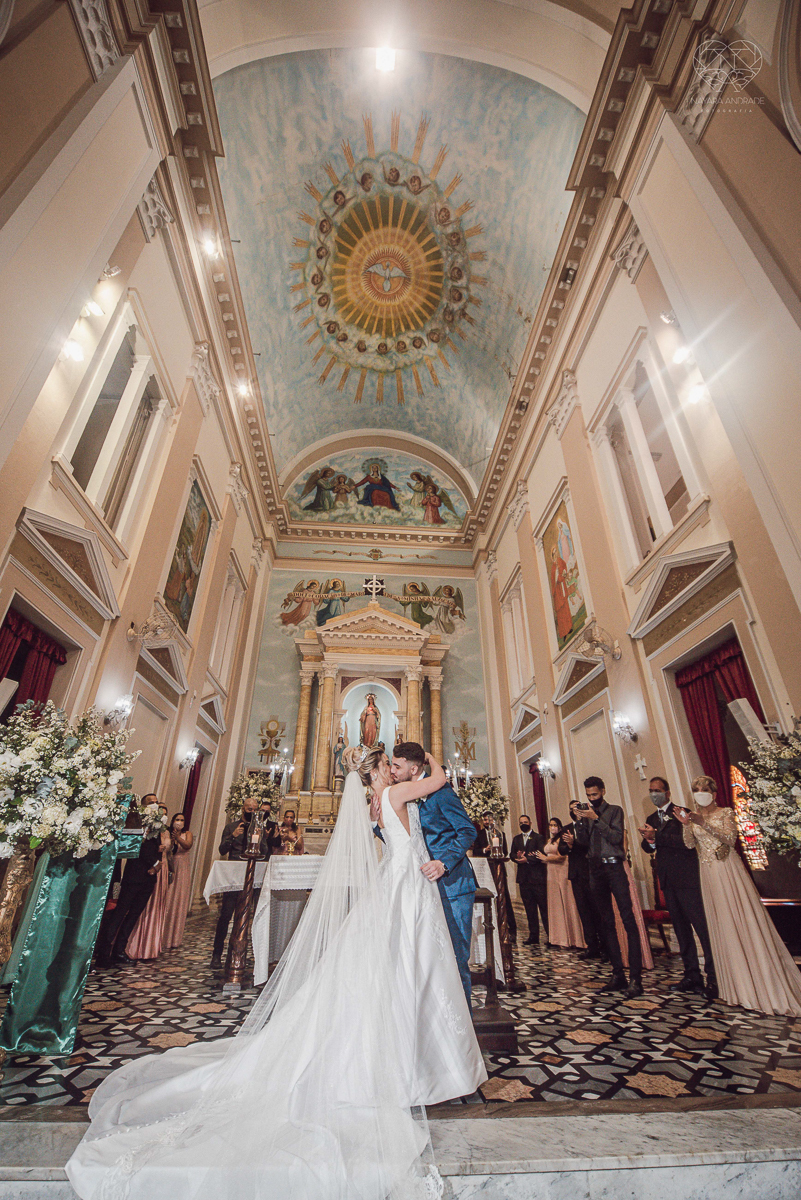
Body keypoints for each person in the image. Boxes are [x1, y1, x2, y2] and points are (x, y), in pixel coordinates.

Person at [66, 748, 486, 1200]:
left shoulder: (375, 800)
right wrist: (431, 759)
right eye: (392, 765)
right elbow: (437, 777)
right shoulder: (402, 790)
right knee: (409, 966)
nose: (396, 770)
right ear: (387, 769)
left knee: (396, 969)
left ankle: (407, 1053)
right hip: (408, 888)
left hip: (399, 885)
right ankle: (416, 1062)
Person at [674, 776, 801, 1015]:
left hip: (727, 872)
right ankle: (732, 986)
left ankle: (756, 983)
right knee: (720, 925)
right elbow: (690, 845)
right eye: (696, 790)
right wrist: (686, 824)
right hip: (708, 875)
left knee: (738, 920)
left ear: (714, 792)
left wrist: (704, 822)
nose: (701, 793)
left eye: (705, 789)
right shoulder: (693, 817)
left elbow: (730, 839)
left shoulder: (725, 812)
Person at [387, 741, 478, 1005]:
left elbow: (467, 831)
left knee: (455, 958)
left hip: (453, 885)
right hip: (423, 886)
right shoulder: (407, 793)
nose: (392, 770)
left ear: (414, 768)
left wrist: (443, 862)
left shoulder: (441, 793)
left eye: (397, 765)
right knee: (429, 960)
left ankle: (464, 1031)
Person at [639, 775, 717, 1000]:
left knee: (701, 929)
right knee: (681, 931)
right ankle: (692, 974)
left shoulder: (682, 813)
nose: (654, 793)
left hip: (688, 879)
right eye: (651, 790)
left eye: (658, 790)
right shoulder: (651, 817)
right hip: (668, 881)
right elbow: (647, 847)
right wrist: (650, 839)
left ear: (667, 793)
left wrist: (657, 837)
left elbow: (686, 842)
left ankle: (712, 976)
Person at [574, 776, 643, 998]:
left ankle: (635, 977)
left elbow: (615, 838)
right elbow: (584, 843)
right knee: (606, 922)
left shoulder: (615, 811)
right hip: (595, 870)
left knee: (627, 919)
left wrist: (596, 819)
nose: (591, 798)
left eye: (594, 794)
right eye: (588, 795)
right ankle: (617, 974)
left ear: (602, 791)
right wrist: (579, 822)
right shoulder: (586, 815)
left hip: (614, 868)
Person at [210, 797, 281, 969]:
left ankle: (242, 954)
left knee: (250, 916)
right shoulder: (231, 827)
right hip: (235, 876)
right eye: (249, 810)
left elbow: (264, 852)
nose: (252, 813)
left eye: (255, 810)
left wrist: (262, 838)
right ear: (243, 809)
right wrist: (233, 837)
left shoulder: (258, 828)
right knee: (226, 915)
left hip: (253, 877)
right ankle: (217, 954)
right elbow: (222, 849)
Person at [95, 830, 163, 967]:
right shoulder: (137, 825)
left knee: (133, 916)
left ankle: (119, 950)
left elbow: (156, 848)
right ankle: (103, 953)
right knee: (118, 914)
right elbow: (136, 846)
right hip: (133, 876)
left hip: (149, 878)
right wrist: (155, 863)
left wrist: (155, 866)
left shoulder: (157, 829)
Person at [559, 802, 602, 958]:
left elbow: (589, 845)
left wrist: (574, 842)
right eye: (571, 809)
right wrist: (568, 846)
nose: (574, 811)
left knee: (597, 910)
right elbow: (561, 849)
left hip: (590, 872)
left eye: (576, 808)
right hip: (576, 874)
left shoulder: (591, 825)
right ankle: (591, 946)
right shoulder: (567, 828)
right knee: (583, 911)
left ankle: (604, 946)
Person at [537, 817, 584, 949]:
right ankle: (559, 937)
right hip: (551, 872)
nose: (552, 827)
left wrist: (546, 858)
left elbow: (562, 856)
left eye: (555, 825)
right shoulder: (548, 840)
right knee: (556, 904)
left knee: (566, 901)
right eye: (550, 825)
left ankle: (572, 938)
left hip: (561, 870)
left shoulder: (560, 839)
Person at [126, 828, 173, 961]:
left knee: (136, 913)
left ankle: (123, 948)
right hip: (136, 873)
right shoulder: (142, 826)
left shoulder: (162, 831)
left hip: (153, 875)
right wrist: (156, 863)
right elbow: (141, 847)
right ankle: (109, 951)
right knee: (124, 912)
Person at [510, 814, 549, 945]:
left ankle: (550, 935)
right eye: (521, 823)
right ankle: (533, 936)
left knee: (544, 908)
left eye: (525, 822)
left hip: (537, 878)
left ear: (530, 823)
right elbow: (512, 853)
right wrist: (517, 857)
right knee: (529, 909)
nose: (523, 824)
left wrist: (528, 859)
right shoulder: (517, 839)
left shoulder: (538, 838)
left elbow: (541, 854)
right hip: (524, 878)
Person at [162, 814, 193, 950]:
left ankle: (174, 938)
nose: (179, 822)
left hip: (183, 867)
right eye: (177, 820)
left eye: (182, 820)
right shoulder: (166, 833)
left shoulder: (187, 834)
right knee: (167, 898)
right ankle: (162, 936)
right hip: (170, 864)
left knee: (179, 899)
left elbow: (188, 845)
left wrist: (178, 838)